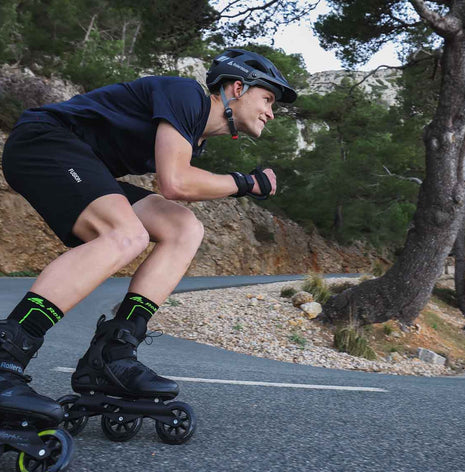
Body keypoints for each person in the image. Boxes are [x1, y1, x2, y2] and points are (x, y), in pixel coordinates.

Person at [0, 49, 297, 426]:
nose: (271, 112)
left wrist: (241, 184)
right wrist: (247, 182)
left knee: (183, 227)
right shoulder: (187, 96)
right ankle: (5, 356)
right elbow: (174, 182)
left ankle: (112, 356)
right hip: (44, 142)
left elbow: (180, 185)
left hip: (78, 161)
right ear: (238, 87)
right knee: (125, 234)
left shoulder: (193, 134)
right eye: (268, 99)